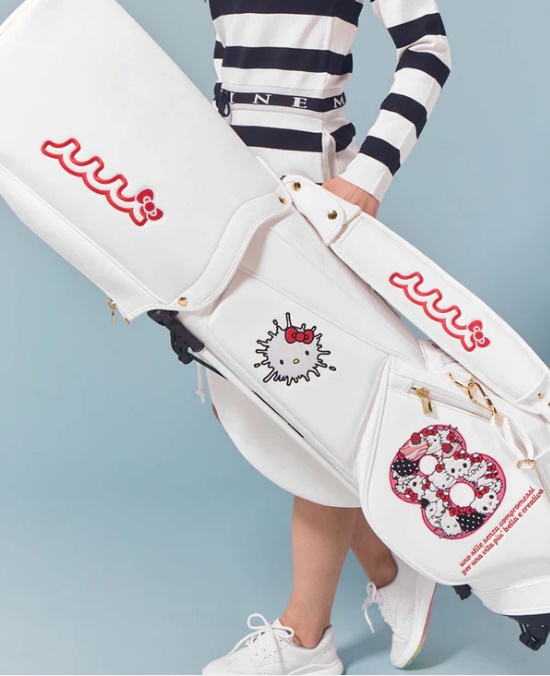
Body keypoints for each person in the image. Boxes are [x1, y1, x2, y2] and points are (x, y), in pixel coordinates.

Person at [201, 1, 452, 673]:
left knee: (316, 406)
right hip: (222, 187)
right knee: (253, 404)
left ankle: (307, 639)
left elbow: (428, 47)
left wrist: (368, 175)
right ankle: (392, 569)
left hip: (313, 199)